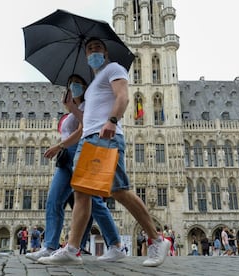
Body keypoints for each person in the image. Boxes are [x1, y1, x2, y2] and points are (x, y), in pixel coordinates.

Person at [37, 37, 170, 267]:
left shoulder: (114, 69)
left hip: (105, 138)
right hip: (89, 140)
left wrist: (112, 120)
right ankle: (72, 249)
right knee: (81, 192)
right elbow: (87, 119)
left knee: (119, 191)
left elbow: (123, 96)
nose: (93, 51)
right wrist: (72, 110)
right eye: (90, 49)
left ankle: (157, 240)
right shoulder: (94, 82)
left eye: (97, 47)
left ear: (106, 51)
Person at [26, 74, 125, 262]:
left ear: (85, 86)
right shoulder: (73, 109)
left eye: (78, 83)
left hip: (81, 151)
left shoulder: (89, 105)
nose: (74, 86)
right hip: (66, 158)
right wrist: (70, 109)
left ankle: (115, 244)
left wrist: (60, 145)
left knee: (95, 202)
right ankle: (50, 246)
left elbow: (84, 129)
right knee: (54, 200)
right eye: (71, 83)